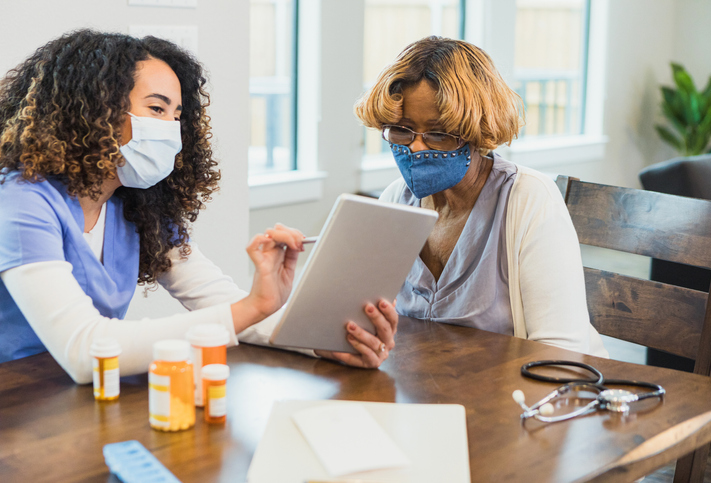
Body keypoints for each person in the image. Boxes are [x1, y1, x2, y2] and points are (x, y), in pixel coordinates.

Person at [0, 29, 397, 384]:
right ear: (95, 111)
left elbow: (217, 298)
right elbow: (86, 350)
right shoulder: (21, 201)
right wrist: (254, 306)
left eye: (177, 115)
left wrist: (320, 343)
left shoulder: (136, 205)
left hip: (81, 398)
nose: (171, 129)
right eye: (156, 109)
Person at [354, 36, 607, 357]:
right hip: (429, 391)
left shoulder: (528, 199)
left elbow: (561, 354)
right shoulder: (395, 201)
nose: (415, 148)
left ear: (475, 132)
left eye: (439, 133)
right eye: (402, 129)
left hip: (516, 396)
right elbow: (366, 321)